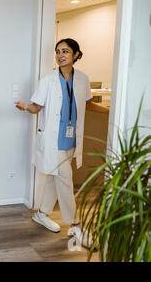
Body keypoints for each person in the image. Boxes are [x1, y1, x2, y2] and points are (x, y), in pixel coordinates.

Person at [15, 38, 108, 247]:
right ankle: (75, 225)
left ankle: (41, 213)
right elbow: (37, 107)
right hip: (54, 141)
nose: (60, 55)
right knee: (65, 179)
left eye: (65, 51)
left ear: (75, 55)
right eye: (58, 51)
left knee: (53, 178)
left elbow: (88, 104)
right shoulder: (47, 80)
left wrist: (112, 112)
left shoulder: (83, 79)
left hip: (71, 139)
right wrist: (25, 106)